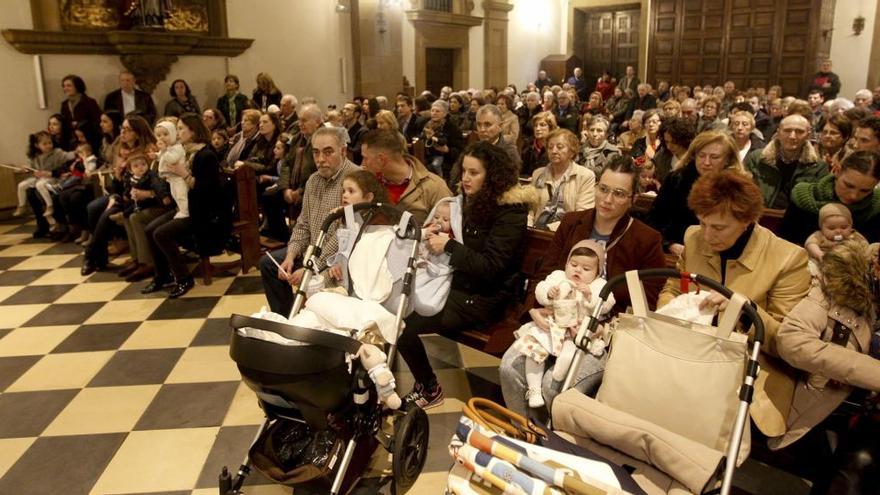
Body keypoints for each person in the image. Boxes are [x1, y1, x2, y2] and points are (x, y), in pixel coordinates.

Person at [500, 156, 667, 416]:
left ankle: (551, 446)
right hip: (554, 320)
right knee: (509, 368)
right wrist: (534, 307)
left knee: (553, 386)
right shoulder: (572, 222)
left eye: (619, 193)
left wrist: (606, 328)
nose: (607, 199)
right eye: (603, 189)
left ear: (633, 198)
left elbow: (646, 302)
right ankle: (525, 433)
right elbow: (545, 271)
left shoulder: (645, 239)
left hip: (601, 333)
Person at [656, 171, 811, 441]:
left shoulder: (787, 258)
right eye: (703, 223)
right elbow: (673, 287)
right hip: (691, 356)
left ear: (747, 221)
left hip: (748, 372)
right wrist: (675, 311)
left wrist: (743, 309)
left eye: (719, 227)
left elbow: (787, 342)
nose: (707, 235)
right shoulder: (694, 238)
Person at [397, 142, 536, 409]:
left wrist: (448, 246)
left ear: (492, 176)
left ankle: (429, 388)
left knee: (405, 326)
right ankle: (425, 384)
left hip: (485, 296)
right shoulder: (466, 202)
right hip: (455, 284)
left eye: (474, 173)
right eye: (464, 171)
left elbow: (491, 268)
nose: (465, 178)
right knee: (398, 308)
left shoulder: (510, 211)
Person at [769, 240, 879, 494]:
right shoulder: (841, 278)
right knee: (858, 467)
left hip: (864, 410)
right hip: (821, 402)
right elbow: (793, 341)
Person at [260, 126, 359, 315]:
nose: (321, 159)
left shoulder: (354, 181)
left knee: (313, 280)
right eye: (316, 153)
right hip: (312, 250)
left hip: (338, 258)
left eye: (328, 152)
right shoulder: (313, 180)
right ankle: (288, 319)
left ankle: (309, 321)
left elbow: (342, 237)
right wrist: (291, 255)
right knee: (270, 264)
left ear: (343, 151)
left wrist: (310, 268)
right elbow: (303, 224)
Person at [511, 240, 614, 408]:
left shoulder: (598, 286)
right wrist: (549, 293)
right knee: (534, 350)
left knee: (570, 353)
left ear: (597, 273)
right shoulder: (558, 276)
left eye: (586, 269)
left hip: (575, 332)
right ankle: (534, 389)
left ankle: (559, 372)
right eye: (573, 264)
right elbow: (540, 289)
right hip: (551, 326)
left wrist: (589, 296)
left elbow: (607, 303)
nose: (578, 270)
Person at [141, 113, 230, 298]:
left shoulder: (206, 154)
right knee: (150, 230)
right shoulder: (184, 150)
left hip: (204, 213)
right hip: (186, 207)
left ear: (193, 130)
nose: (178, 132)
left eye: (181, 128)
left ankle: (183, 278)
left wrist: (184, 174)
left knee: (161, 233)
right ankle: (163, 276)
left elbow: (208, 190)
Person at [648, 131, 745, 255]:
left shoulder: (738, 187)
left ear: (727, 160)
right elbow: (654, 219)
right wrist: (669, 244)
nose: (706, 162)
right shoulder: (676, 179)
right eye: (701, 155)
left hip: (723, 255)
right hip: (677, 251)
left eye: (714, 157)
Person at [780, 150, 880, 244]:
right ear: (837, 170)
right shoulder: (804, 197)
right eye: (849, 185)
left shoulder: (876, 208)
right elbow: (783, 243)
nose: (853, 196)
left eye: (865, 191)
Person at [359, 128, 451, 225]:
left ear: (381, 159)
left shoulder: (435, 187)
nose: (363, 163)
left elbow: (448, 233)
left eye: (365, 158)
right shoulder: (368, 183)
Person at [745, 114, 828, 209]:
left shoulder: (818, 166)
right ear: (778, 133)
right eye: (787, 130)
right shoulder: (757, 158)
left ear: (808, 135)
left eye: (799, 132)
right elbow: (744, 192)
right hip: (762, 215)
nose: (792, 136)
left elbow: (819, 202)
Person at [529, 129, 596, 231]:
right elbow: (530, 209)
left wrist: (549, 228)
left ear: (572, 151)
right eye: (550, 147)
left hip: (567, 233)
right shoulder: (538, 174)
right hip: (536, 231)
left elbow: (582, 215)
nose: (554, 151)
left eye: (560, 147)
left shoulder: (585, 176)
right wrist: (528, 225)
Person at [15, 131, 74, 227]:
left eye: (49, 143)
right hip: (39, 178)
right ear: (37, 145)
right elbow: (30, 167)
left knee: (40, 185)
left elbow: (68, 156)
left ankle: (49, 206)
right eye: (44, 144)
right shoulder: (35, 156)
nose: (48, 146)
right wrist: (25, 168)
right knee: (21, 185)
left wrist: (76, 152)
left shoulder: (57, 153)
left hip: (52, 178)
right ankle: (22, 206)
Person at [804, 202, 868, 268]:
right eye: (831, 228)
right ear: (822, 228)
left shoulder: (854, 235)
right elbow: (810, 244)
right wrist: (819, 253)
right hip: (824, 262)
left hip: (849, 264)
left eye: (844, 227)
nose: (838, 231)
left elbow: (865, 245)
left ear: (851, 226)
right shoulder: (820, 235)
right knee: (811, 265)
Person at [154, 121, 188, 219]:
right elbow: (162, 156)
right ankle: (181, 209)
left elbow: (172, 159)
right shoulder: (167, 148)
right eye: (158, 135)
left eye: (165, 134)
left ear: (173, 134)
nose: (161, 137)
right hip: (171, 178)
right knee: (175, 194)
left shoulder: (177, 148)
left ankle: (185, 211)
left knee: (181, 194)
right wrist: (156, 156)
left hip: (178, 176)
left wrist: (164, 150)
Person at [521, 111, 557, 178]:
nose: (538, 129)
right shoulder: (528, 145)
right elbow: (522, 171)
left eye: (542, 125)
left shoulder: (556, 148)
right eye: (535, 126)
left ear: (551, 128)